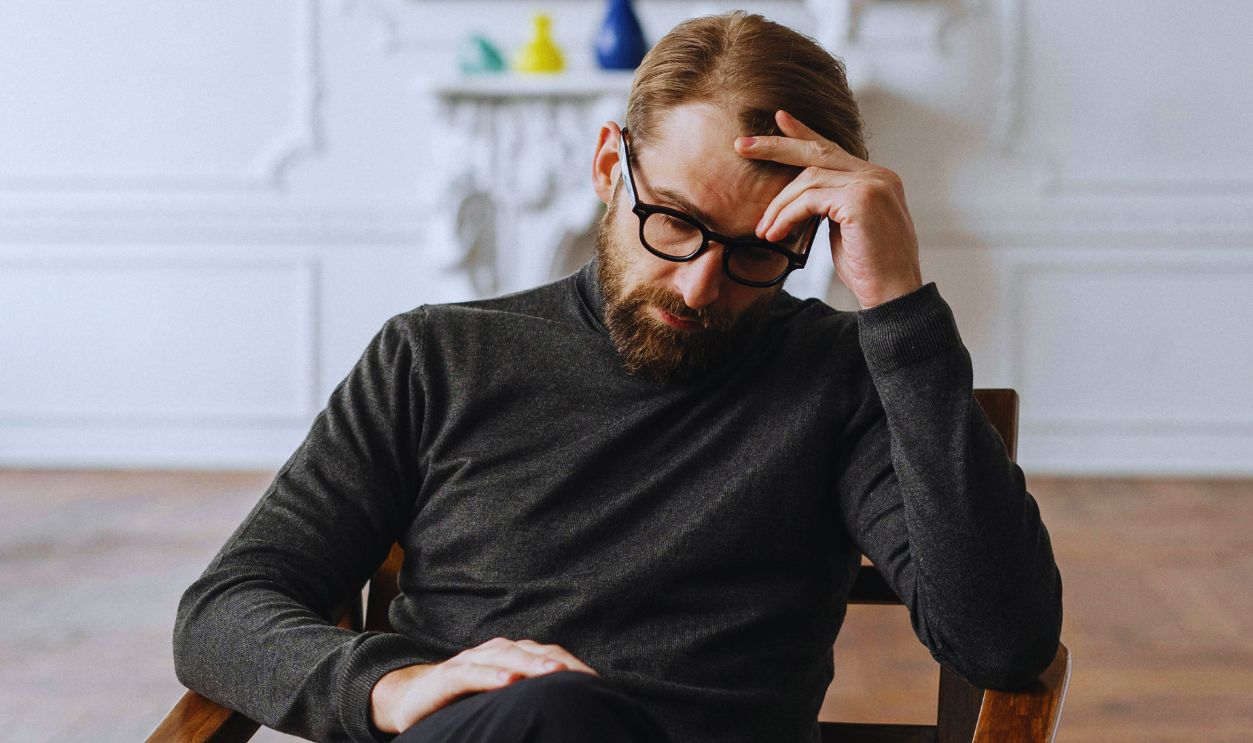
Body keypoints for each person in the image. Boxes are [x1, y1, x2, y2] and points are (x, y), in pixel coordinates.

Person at [173, 11, 1063, 743]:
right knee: (549, 713)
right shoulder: (435, 357)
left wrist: (897, 305)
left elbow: (1001, 640)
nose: (699, 283)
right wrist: (391, 685)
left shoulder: (842, 379)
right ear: (610, 168)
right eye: (673, 222)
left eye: (758, 253)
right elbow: (222, 609)